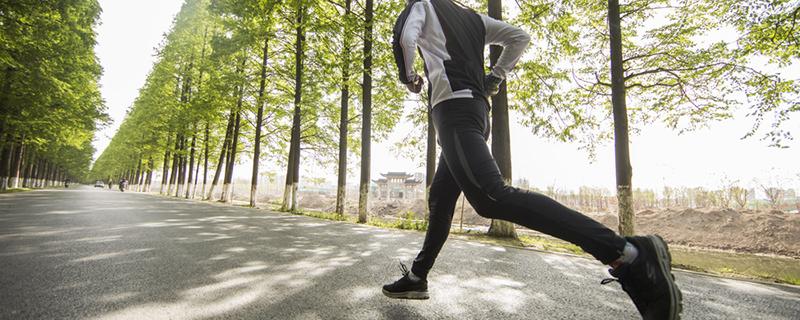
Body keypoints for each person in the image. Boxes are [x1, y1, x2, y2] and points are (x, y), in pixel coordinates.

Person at [383, 1, 682, 319]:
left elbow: (404, 39)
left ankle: (627, 255)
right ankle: (417, 277)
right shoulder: (473, 18)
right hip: (476, 112)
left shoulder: (422, 5)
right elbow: (519, 37)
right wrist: (495, 78)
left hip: (454, 111)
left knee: (490, 197)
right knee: (441, 201)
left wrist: (409, 76)